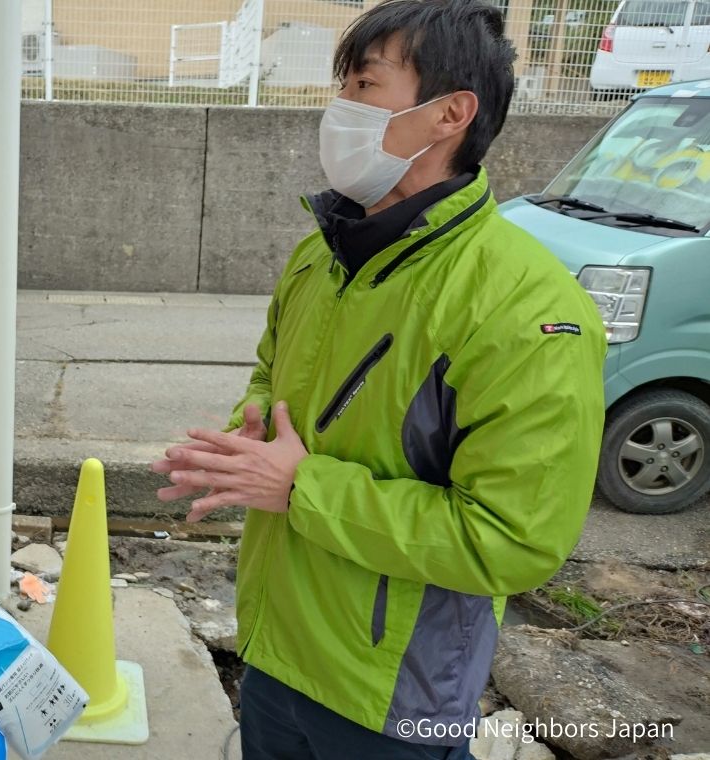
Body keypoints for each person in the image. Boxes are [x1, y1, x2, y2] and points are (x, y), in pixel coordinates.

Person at [152, 1, 606, 758]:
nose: (341, 109)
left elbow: (513, 538)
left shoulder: (527, 307)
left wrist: (300, 489)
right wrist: (248, 438)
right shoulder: (322, 254)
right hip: (273, 650)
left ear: (450, 114)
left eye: (364, 84)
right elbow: (272, 374)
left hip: (395, 700)